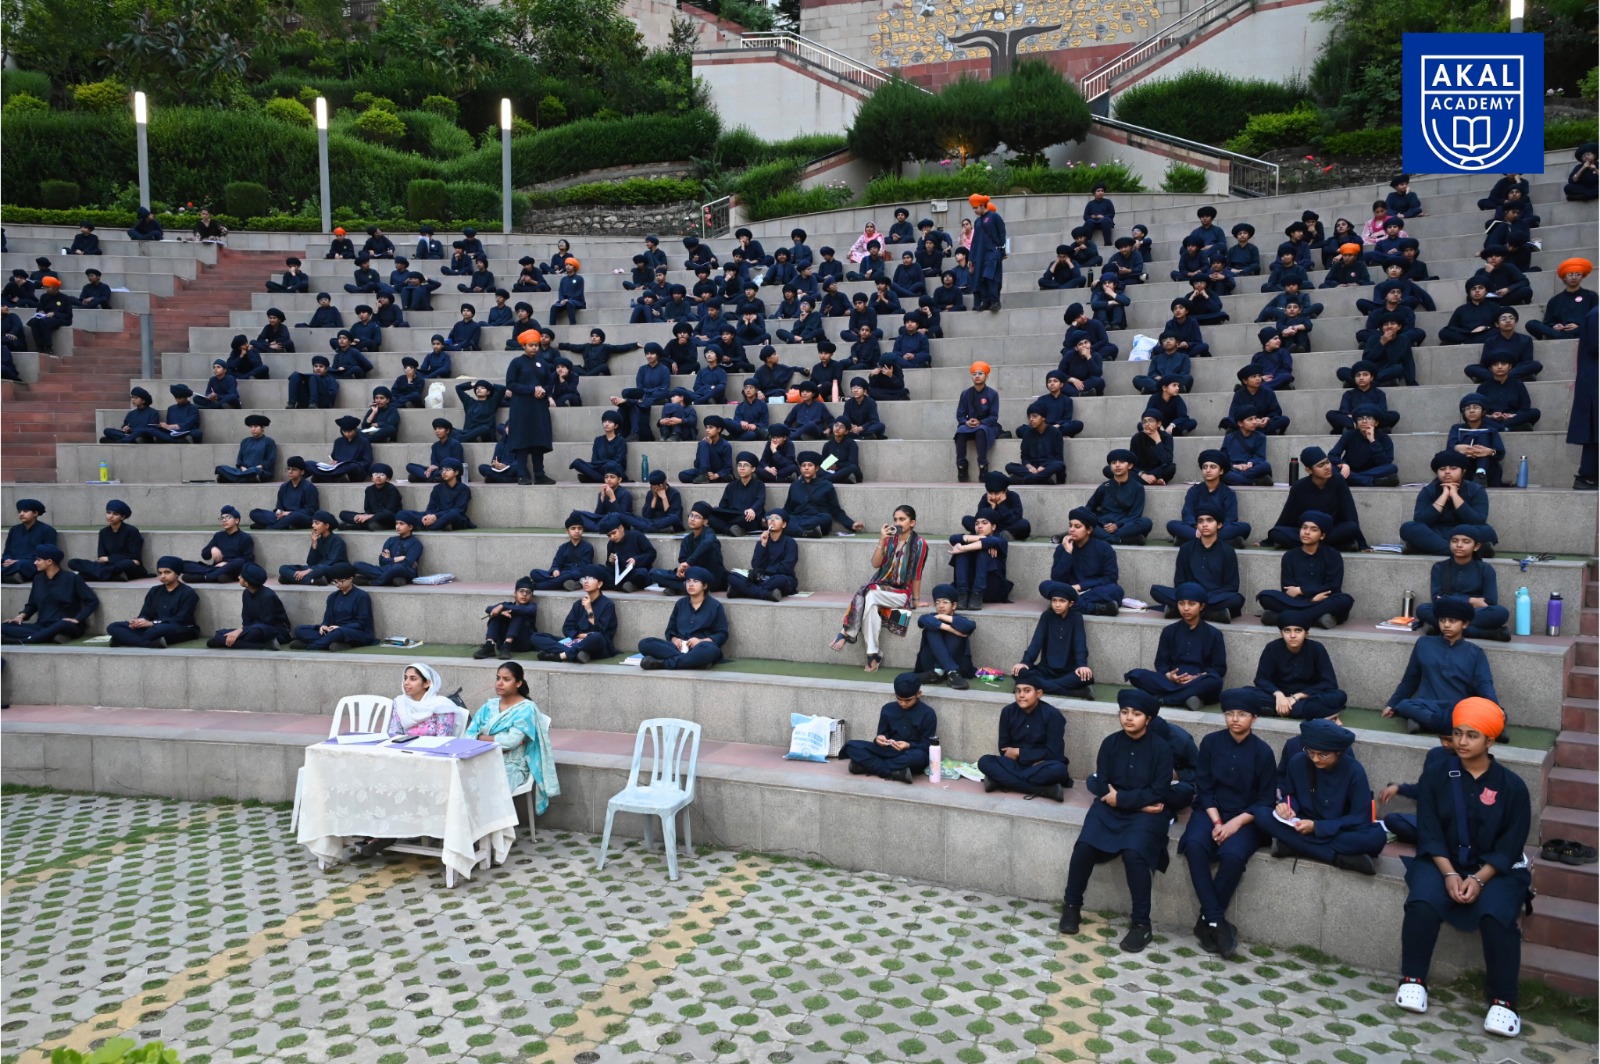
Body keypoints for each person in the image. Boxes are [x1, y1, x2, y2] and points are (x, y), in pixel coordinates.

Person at [1394, 698, 1529, 1037]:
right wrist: (1450, 873)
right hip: (1443, 861)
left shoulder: (1512, 786)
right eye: (1457, 734)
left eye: (1472, 735)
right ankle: (1413, 979)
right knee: (1423, 901)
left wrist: (1480, 879)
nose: (1463, 742)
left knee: (1497, 914)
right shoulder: (1438, 774)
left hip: (1494, 868)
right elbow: (1429, 830)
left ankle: (1504, 1002)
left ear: (1490, 741)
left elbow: (1511, 845)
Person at [1059, 689, 1174, 953]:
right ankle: (1072, 907)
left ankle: (1142, 925)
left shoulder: (1162, 749)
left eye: (1136, 714)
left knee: (1135, 854)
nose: (1129, 718)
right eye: (1124, 712)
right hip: (1114, 807)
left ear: (1148, 718)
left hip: (1147, 813)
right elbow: (1101, 782)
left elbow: (1159, 792)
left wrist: (1122, 799)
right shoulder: (1110, 743)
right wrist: (1127, 800)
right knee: (1084, 846)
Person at [1180, 691, 1275, 957]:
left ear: (1254, 718)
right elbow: (1204, 787)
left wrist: (1233, 825)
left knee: (1233, 856)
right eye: (1230, 713)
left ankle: (1204, 922)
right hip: (1210, 811)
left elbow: (1264, 800)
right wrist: (1217, 820)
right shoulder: (1210, 742)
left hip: (1245, 817)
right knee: (1195, 846)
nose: (1235, 719)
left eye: (1242, 714)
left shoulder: (1263, 752)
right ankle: (1216, 921)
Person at [1253, 718, 1386, 874]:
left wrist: (1317, 827)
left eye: (1323, 755)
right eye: (1311, 752)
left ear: (1338, 752)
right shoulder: (1298, 761)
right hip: (1301, 822)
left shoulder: (1354, 771)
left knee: (1376, 838)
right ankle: (1337, 858)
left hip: (1336, 829)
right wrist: (1287, 807)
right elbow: (1291, 795)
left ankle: (1291, 845)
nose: (1315, 758)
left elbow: (1360, 817)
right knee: (1261, 814)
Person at [831, 505, 928, 672]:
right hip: (881, 587)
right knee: (871, 600)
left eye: (902, 519)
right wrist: (881, 540)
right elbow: (876, 564)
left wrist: (916, 601)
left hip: (901, 593)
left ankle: (848, 631)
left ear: (912, 523)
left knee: (869, 591)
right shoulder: (890, 539)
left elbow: (917, 574)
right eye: (895, 519)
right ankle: (873, 653)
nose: (898, 523)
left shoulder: (920, 544)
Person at [1383, 599, 1498, 735]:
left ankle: (1425, 723)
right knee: (1403, 705)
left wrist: (1495, 710)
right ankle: (1459, 727)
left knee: (1479, 712)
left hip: (1458, 707)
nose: (1446, 625)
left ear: (1465, 624)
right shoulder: (1424, 644)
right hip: (1428, 705)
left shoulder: (1475, 652)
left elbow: (1485, 685)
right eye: (1442, 620)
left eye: (1452, 621)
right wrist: (1391, 704)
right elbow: (1410, 679)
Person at [467, 662, 559, 813]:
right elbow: (469, 735)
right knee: (460, 781)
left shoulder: (526, 708)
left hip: (513, 766)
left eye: (506, 679)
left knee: (489, 787)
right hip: (483, 758)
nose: (500, 683)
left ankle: (495, 833)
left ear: (518, 683)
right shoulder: (488, 706)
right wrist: (495, 738)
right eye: (498, 678)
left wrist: (482, 737)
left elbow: (511, 742)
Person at [1125, 583, 1228, 710]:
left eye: (1191, 604)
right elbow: (1161, 664)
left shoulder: (1214, 634)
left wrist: (1197, 677)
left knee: (1214, 681)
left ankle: (1165, 699)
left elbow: (1219, 669)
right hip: (1171, 682)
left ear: (1201, 606)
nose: (1185, 608)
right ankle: (1188, 698)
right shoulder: (1169, 631)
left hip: (1198, 682)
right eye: (1181, 603)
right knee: (1136, 675)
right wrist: (1169, 676)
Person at [1225, 614, 1348, 719]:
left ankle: (1276, 710)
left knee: (1339, 696)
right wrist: (1279, 695)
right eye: (1287, 630)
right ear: (1281, 633)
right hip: (1276, 697)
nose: (1292, 635)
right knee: (1235, 694)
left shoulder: (1317, 649)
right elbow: (1261, 679)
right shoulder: (1272, 648)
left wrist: (1297, 697)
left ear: (1306, 633)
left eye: (1298, 630)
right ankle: (1292, 710)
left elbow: (1329, 683)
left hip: (1306, 697)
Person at [977, 674, 1071, 801]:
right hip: (1016, 765)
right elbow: (1004, 750)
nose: (1021, 695)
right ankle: (1044, 789)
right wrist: (1028, 756)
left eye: (1027, 691)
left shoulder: (1053, 715)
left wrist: (1019, 752)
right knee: (984, 761)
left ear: (1039, 693)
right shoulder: (1008, 712)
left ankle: (1000, 780)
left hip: (1041, 767)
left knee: (1059, 770)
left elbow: (1054, 753)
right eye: (1018, 691)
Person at [1255, 512, 1352, 628]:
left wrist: (1302, 590)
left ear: (1322, 535)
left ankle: (1285, 618)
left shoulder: (1333, 555)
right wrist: (1311, 599)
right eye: (1304, 527)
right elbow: (1288, 590)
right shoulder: (1289, 556)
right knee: (1265, 596)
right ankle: (1316, 618)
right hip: (1298, 602)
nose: (1306, 532)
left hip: (1324, 600)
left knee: (1345, 600)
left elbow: (1332, 587)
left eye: (1313, 529)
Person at [839, 672, 937, 784]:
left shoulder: (928, 714)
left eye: (908, 700)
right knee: (851, 746)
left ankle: (867, 767)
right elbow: (882, 736)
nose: (903, 704)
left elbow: (926, 746)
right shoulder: (888, 709)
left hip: (910, 752)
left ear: (918, 694)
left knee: (918, 757)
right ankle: (894, 772)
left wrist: (908, 745)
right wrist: (879, 739)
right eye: (899, 699)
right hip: (889, 751)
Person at [1263, 447, 1366, 552]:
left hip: (1329, 532)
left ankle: (1310, 545)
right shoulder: (1299, 487)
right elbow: (1286, 516)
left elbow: (1350, 513)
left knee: (1352, 527)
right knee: (1275, 533)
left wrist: (1362, 544)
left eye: (1327, 462)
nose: (1327, 467)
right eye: (1320, 465)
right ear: (1309, 470)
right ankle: (1339, 546)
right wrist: (1268, 540)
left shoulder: (1338, 481)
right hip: (1307, 531)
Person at [1150, 509, 1243, 622]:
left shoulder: (1228, 551)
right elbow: (1179, 582)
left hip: (1214, 597)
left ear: (1219, 525)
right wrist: (1193, 595)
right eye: (1200, 521)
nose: (1204, 525)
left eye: (1209, 520)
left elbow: (1232, 586)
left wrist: (1204, 597)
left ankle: (1180, 610)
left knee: (1237, 599)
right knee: (1155, 590)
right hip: (1191, 595)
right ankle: (1213, 614)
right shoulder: (1186, 549)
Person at [1399, 452, 1498, 556]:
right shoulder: (1428, 490)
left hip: (1465, 532)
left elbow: (1477, 520)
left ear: (1463, 471)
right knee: (1409, 528)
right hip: (1436, 532)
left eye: (1453, 468)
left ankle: (1425, 547)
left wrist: (1455, 496)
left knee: (1487, 532)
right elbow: (1421, 521)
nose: (1447, 472)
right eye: (1442, 469)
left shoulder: (1476, 490)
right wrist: (1443, 496)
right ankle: (1467, 551)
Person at [1416, 532, 1509, 641]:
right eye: (1454, 541)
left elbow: (1490, 601)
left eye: (1466, 541)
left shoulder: (1485, 569)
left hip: (1472, 612)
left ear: (1476, 546)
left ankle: (1441, 629)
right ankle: (1485, 633)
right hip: (1448, 610)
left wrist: (1449, 599)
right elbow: (1437, 598)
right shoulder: (1439, 567)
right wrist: (1472, 600)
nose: (1459, 545)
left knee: (1501, 612)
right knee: (1422, 609)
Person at [1, 545, 98, 645]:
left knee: (62, 624)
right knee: (3, 626)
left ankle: (25, 640)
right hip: (43, 625)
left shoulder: (72, 578)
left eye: (38, 560)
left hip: (66, 624)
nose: (35, 563)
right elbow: (32, 604)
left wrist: (78, 619)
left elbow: (92, 601)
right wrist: (20, 617)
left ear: (49, 561)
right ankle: (52, 636)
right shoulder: (37, 579)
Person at [637, 567, 727, 670]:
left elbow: (722, 634)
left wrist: (701, 641)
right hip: (679, 648)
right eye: (688, 581)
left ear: (705, 585)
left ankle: (663, 664)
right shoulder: (680, 604)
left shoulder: (715, 606)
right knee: (645, 643)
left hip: (701, 647)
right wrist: (675, 640)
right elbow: (670, 630)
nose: (691, 584)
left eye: (696, 581)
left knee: (710, 651)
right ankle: (694, 662)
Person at [1013, 581, 1093, 696]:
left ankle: (1034, 685)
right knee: (1018, 672)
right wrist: (1026, 662)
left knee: (1086, 677)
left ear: (1070, 604)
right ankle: (1072, 692)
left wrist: (1082, 665)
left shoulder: (1076, 617)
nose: (1057, 604)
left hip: (1068, 671)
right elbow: (1036, 641)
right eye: (1054, 600)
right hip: (1045, 670)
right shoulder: (1046, 616)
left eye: (1062, 601)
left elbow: (1080, 643)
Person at [107, 558, 201, 648]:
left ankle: (123, 639)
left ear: (177, 574)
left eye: (167, 572)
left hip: (179, 628)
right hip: (152, 627)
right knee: (113, 627)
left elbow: (180, 619)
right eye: (160, 573)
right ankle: (149, 644)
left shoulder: (188, 593)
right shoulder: (154, 590)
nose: (162, 576)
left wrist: (152, 623)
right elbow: (145, 613)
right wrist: (138, 622)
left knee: (155, 631)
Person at [505, 329, 556, 485]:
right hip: (521, 407)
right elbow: (511, 384)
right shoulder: (516, 362)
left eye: (536, 345)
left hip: (539, 406)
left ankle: (539, 474)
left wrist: (544, 390)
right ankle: (522, 474)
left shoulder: (543, 363)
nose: (534, 348)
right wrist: (532, 389)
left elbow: (550, 383)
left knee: (538, 441)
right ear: (524, 346)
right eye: (531, 345)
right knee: (522, 441)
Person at [1050, 510, 1123, 617]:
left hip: (1093, 591)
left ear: (1089, 530)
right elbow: (1056, 578)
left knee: (1116, 590)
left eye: (1077, 527)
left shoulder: (1104, 548)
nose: (1072, 530)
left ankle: (1070, 604)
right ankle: (1098, 608)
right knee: (1045, 586)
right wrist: (1068, 553)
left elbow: (1111, 578)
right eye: (1070, 526)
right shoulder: (1063, 548)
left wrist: (1080, 586)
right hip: (1069, 591)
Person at [1168, 451, 1250, 546]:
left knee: (1245, 527)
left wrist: (1213, 528)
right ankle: (1227, 541)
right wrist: (1198, 526)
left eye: (1213, 467)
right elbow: (1187, 515)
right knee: (1172, 524)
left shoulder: (1228, 493)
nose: (1208, 470)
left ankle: (1187, 540)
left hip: (1218, 528)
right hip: (1197, 528)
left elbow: (1231, 519)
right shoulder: (1194, 491)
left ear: (1221, 471)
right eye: (1205, 467)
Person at [290, 563, 376, 651]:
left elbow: (361, 623)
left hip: (353, 631)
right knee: (299, 630)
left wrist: (341, 628)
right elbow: (327, 618)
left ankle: (311, 645)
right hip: (333, 631)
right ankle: (333, 643)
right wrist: (324, 626)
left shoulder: (361, 596)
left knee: (338, 633)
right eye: (335, 581)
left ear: (350, 579)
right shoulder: (332, 597)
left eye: (340, 581)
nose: (337, 584)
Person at [206, 564, 290, 650]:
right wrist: (240, 631)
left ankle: (225, 641)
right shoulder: (246, 593)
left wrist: (240, 631)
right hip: (251, 629)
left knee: (256, 631)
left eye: (241, 576)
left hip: (275, 632)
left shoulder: (268, 596)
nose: (238, 577)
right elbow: (246, 620)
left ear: (247, 582)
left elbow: (266, 622)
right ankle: (266, 645)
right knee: (219, 634)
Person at [911, 583, 976, 689]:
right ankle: (951, 671)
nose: (941, 606)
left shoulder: (960, 619)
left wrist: (943, 618)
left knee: (958, 627)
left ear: (954, 605)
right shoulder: (931, 617)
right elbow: (921, 620)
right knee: (932, 629)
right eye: (937, 603)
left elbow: (970, 625)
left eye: (945, 602)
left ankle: (938, 673)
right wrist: (948, 628)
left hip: (957, 662)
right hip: (930, 664)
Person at [725, 510, 798, 602]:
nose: (772, 520)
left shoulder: (790, 542)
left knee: (780, 581)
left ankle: (742, 591)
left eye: (777, 518)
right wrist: (763, 546)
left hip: (778, 578)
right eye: (770, 518)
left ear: (783, 524)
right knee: (732, 577)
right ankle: (766, 594)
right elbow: (756, 565)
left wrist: (765, 572)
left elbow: (787, 567)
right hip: (760, 577)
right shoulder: (762, 541)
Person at [68, 500, 147, 583]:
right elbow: (101, 556)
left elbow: (134, 556)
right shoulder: (103, 532)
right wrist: (107, 560)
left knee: (128, 563)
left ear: (122, 517)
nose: (110, 516)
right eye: (108, 513)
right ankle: (113, 576)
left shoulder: (132, 531)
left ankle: (95, 575)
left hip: (126, 566)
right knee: (73, 562)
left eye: (115, 514)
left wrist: (109, 558)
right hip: (109, 565)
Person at [786, 453, 863, 538]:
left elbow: (836, 510)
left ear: (817, 468)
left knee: (826, 518)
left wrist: (851, 524)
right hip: (797, 517)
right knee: (776, 517)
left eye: (810, 465)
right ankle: (805, 533)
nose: (806, 468)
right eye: (803, 466)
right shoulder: (794, 486)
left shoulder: (826, 485)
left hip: (817, 519)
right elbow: (787, 508)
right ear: (800, 469)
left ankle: (793, 530)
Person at [1087, 448, 1153, 545]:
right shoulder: (1105, 486)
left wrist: (1117, 525)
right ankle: (1119, 540)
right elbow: (1089, 508)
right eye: (1113, 463)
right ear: (1110, 467)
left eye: (1121, 462)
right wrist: (1100, 523)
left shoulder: (1138, 487)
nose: (1117, 465)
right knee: (1084, 520)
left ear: (1130, 466)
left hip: (1124, 526)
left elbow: (1135, 514)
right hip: (1104, 525)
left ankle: (1104, 537)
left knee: (1146, 522)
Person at [180, 506, 255, 583]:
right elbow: (204, 555)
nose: (224, 520)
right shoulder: (218, 536)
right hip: (216, 568)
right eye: (222, 518)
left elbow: (248, 561)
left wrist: (227, 564)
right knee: (182, 564)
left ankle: (206, 577)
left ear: (236, 520)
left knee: (239, 561)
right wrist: (212, 549)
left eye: (228, 517)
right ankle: (212, 575)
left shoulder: (245, 537)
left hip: (233, 569)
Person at [952, 361, 1000, 481]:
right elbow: (960, 415)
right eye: (974, 374)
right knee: (960, 431)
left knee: (980, 431)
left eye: (980, 373)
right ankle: (961, 465)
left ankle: (983, 465)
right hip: (969, 425)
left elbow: (994, 417)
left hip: (986, 425)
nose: (977, 376)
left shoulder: (992, 394)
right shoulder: (965, 394)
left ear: (986, 376)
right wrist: (966, 422)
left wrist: (981, 422)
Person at [1331, 406, 1399, 487]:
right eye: (1360, 419)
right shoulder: (1349, 435)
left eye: (1369, 418)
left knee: (1392, 468)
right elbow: (1332, 455)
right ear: (1356, 423)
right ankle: (1372, 482)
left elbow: (1385, 463)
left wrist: (1372, 441)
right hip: (1350, 470)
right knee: (1331, 468)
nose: (1364, 421)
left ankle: (1355, 479)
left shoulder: (1384, 438)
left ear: (1376, 423)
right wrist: (1342, 464)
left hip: (1373, 471)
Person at [247, 456, 318, 531]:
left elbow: (310, 510)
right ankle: (283, 525)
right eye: (288, 468)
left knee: (295, 516)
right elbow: (279, 506)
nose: (290, 471)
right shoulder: (284, 487)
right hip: (284, 516)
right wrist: (279, 512)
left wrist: (288, 513)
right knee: (254, 513)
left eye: (294, 469)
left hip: (301, 517)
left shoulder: (309, 487)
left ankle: (269, 527)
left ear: (302, 472)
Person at [353, 512, 424, 587]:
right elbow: (382, 561)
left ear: (410, 527)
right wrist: (396, 559)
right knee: (357, 565)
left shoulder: (416, 544)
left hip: (405, 571)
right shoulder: (391, 540)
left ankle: (372, 582)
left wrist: (389, 559)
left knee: (398, 567)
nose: (397, 526)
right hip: (386, 569)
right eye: (396, 523)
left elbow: (407, 563)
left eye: (401, 524)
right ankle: (392, 580)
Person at [278, 511, 347, 586]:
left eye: (317, 523)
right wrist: (314, 544)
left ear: (326, 526)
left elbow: (329, 563)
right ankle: (313, 581)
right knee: (283, 568)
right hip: (315, 569)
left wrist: (309, 570)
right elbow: (311, 563)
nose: (313, 525)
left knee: (321, 570)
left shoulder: (337, 542)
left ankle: (292, 579)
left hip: (330, 570)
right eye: (313, 523)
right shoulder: (318, 539)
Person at [1570, 307, 1598, 490]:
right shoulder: (1597, 315)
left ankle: (1589, 475)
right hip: (1594, 381)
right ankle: (1587, 475)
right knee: (1594, 431)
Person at [1007, 402, 1065, 485]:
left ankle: (1026, 479)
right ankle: (1043, 480)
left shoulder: (1055, 432)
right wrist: (1029, 466)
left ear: (1043, 417)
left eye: (1034, 416)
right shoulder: (1027, 433)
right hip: (1033, 469)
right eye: (1029, 417)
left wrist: (1044, 466)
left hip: (1048, 467)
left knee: (1059, 465)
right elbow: (1024, 457)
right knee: (1009, 466)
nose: (1031, 419)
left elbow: (1058, 457)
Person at [3, 499, 58, 584]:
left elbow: (48, 554)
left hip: (32, 564)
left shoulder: (47, 530)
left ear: (35, 513)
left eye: (25, 511)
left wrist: (18, 561)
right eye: (19, 511)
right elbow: (7, 551)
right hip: (11, 565)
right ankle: (12, 576)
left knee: (22, 564)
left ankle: (9, 575)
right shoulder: (14, 530)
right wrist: (7, 559)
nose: (21, 514)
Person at [968, 194, 1006, 311]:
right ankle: (986, 301)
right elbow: (974, 241)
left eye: (976, 208)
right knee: (981, 277)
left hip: (992, 251)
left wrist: (1002, 251)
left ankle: (995, 301)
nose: (974, 210)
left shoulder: (994, 217)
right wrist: (971, 258)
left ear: (982, 205)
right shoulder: (977, 221)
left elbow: (1002, 234)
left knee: (990, 276)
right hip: (980, 254)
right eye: (973, 208)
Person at [338, 464, 401, 532]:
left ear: (388, 479)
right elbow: (367, 509)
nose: (378, 477)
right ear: (371, 478)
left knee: (384, 515)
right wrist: (362, 516)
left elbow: (390, 511)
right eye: (375, 475)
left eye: (382, 475)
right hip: (371, 518)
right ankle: (371, 525)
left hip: (386, 518)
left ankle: (354, 526)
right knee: (343, 514)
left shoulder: (392, 489)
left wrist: (369, 517)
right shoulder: (369, 490)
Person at [310, 415, 373, 483]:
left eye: (349, 431)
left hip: (354, 469)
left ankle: (326, 477)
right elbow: (334, 458)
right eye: (344, 431)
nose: (347, 434)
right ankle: (336, 478)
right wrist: (333, 462)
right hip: (337, 469)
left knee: (352, 466)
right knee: (310, 464)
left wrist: (347, 464)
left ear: (355, 429)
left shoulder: (364, 442)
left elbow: (367, 462)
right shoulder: (338, 441)